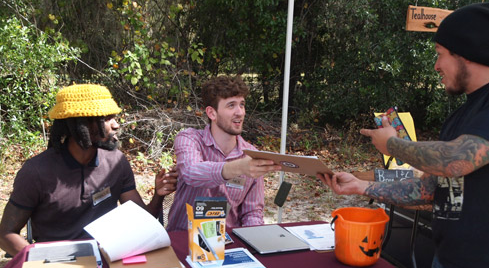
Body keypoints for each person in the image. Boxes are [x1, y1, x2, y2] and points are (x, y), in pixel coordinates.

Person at [319, 2, 489, 268]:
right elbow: (432, 188)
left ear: (468, 53)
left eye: (440, 53)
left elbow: (456, 161)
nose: (436, 65)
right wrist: (361, 186)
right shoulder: (466, 112)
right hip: (449, 264)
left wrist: (393, 146)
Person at [0, 83, 178, 256]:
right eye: (107, 119)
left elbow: (142, 221)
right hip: (57, 266)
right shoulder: (36, 172)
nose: (116, 125)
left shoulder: (116, 162)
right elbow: (6, 235)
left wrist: (158, 195)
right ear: (81, 125)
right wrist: (45, 261)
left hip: (110, 258)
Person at [167, 75, 281, 231]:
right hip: (183, 241)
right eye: (231, 105)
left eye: (242, 105)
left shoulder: (252, 155)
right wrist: (238, 168)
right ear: (212, 113)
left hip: (229, 245)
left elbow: (252, 213)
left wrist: (256, 241)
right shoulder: (189, 139)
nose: (239, 112)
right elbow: (191, 172)